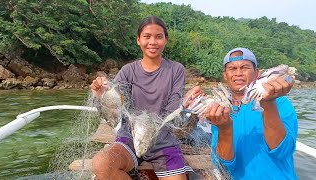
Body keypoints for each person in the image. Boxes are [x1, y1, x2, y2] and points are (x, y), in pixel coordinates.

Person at [90, 16, 202, 180]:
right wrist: (101, 96)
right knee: (101, 163)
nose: (152, 42)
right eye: (147, 36)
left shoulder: (175, 70)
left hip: (164, 140)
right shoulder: (128, 71)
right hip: (130, 137)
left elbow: (173, 106)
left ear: (165, 40)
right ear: (138, 40)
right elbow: (117, 108)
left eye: (158, 36)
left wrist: (185, 103)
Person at [202, 47, 298, 179]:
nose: (238, 73)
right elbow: (224, 165)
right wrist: (224, 128)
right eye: (232, 69)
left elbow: (283, 151)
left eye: (245, 67)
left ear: (256, 73)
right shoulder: (220, 111)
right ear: (225, 75)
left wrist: (268, 103)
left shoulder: (280, 102)